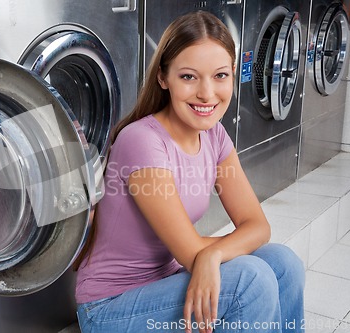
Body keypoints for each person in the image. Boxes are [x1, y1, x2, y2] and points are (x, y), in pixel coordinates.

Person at [74, 11, 305, 333]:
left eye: (220, 75)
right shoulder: (142, 140)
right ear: (163, 78)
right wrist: (206, 255)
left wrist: (211, 255)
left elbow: (257, 226)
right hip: (112, 308)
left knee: (282, 262)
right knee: (249, 280)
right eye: (189, 77)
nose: (207, 94)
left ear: (234, 74)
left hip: (167, 281)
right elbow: (189, 253)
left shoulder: (214, 135)